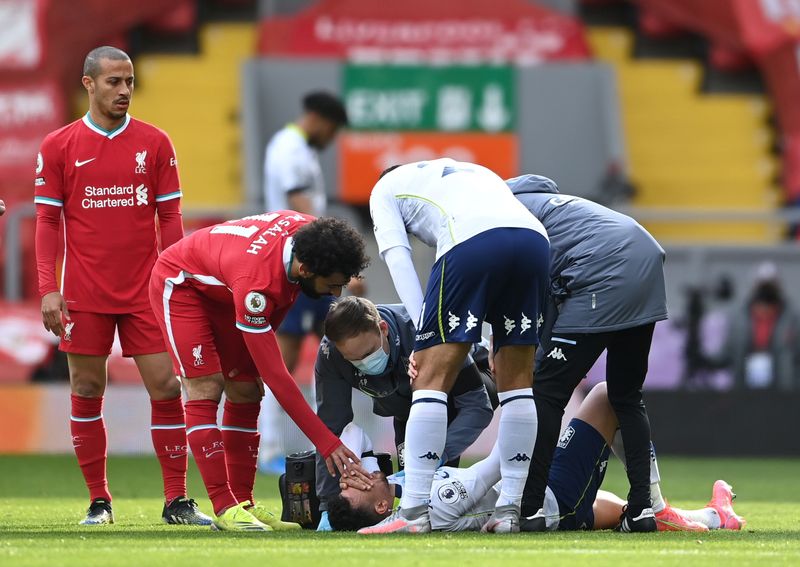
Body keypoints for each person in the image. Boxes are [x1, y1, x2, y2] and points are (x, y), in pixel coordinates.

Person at [33, 46, 210, 527]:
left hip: (146, 291)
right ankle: (99, 501)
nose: (124, 91)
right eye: (113, 82)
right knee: (87, 388)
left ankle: (176, 500)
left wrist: (177, 279)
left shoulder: (154, 142)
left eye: (129, 81)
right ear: (88, 84)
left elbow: (170, 218)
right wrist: (50, 288)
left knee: (166, 385)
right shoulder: (59, 145)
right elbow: (47, 222)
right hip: (85, 293)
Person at [148, 211, 372, 531]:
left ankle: (243, 502)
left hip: (224, 289)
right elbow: (278, 378)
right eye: (332, 285)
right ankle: (225, 507)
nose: (336, 294)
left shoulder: (310, 234)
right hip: (182, 285)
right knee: (206, 387)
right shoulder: (257, 286)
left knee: (247, 389)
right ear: (305, 269)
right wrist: (327, 443)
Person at [360, 159, 550, 534]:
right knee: (517, 384)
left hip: (471, 241)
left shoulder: (383, 189)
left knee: (430, 379)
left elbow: (397, 258)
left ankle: (413, 514)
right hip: (534, 241)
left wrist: (422, 336)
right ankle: (509, 510)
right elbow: (502, 238)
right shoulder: (473, 171)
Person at [329, 383, 746, 533]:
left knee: (620, 512)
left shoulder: (401, 499)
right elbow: (491, 467)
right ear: (382, 507)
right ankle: (659, 505)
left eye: (349, 479)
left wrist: (356, 470)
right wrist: (522, 404)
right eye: (355, 487)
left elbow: (354, 435)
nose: (355, 479)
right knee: (607, 394)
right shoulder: (432, 501)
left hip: (537, 502)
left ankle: (714, 517)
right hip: (548, 499)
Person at [507, 174, 668, 533]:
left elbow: (541, 296)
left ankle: (530, 508)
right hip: (647, 258)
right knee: (627, 396)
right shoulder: (562, 207)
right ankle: (642, 510)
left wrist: (543, 355)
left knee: (547, 393)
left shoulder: (509, 214)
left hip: (603, 272)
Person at [314, 296, 495, 530]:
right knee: (410, 492)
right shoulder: (331, 353)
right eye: (354, 361)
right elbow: (331, 429)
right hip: (407, 409)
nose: (364, 363)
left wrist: (437, 454)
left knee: (434, 487)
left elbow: (477, 407)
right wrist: (329, 506)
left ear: (383, 329)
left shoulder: (422, 330)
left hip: (471, 385)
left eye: (368, 353)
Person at [260, 91, 358, 473]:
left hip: (311, 264)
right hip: (300, 267)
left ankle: (338, 437)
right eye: (332, 130)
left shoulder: (299, 149)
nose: (331, 139)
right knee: (280, 362)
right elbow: (301, 206)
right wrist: (339, 260)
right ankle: (268, 447)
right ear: (318, 119)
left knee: (341, 347)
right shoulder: (290, 149)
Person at [701, 262, 800, 391]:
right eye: (762, 285)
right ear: (754, 287)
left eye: (770, 286)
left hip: (783, 393)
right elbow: (725, 354)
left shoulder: (792, 319)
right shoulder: (738, 318)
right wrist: (704, 358)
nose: (766, 291)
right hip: (744, 391)